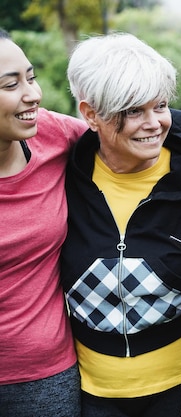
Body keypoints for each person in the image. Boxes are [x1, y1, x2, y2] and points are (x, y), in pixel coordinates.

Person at [60, 32, 181, 417]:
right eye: (132, 111)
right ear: (91, 114)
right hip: (91, 397)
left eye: (159, 106)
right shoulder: (61, 180)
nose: (153, 124)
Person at [0, 28, 87, 416]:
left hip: (45, 379)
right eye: (10, 85)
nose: (33, 95)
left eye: (30, 78)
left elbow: (131, 135)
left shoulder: (52, 135)